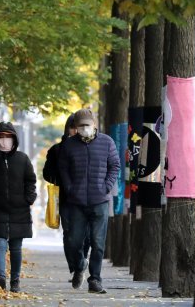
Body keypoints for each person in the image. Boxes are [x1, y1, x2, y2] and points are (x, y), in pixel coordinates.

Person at [58, 108, 120, 294]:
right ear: (75, 128)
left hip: (99, 200)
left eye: (87, 125)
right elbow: (63, 169)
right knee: (73, 240)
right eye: (80, 126)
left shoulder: (107, 142)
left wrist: (106, 186)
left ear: (94, 125)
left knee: (98, 242)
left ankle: (95, 280)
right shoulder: (69, 145)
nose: (84, 128)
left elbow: (115, 165)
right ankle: (79, 266)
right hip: (76, 202)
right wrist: (70, 188)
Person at [0, 122, 37, 293]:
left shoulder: (22, 159)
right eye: (1, 137)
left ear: (14, 139)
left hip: (20, 209)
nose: (4, 140)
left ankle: (16, 281)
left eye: (8, 137)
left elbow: (30, 181)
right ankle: (1, 277)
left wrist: (29, 198)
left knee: (16, 247)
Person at [42, 114, 91, 282]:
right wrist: (60, 176)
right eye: (73, 127)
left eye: (80, 127)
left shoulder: (89, 147)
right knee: (69, 234)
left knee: (86, 234)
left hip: (86, 197)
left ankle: (81, 263)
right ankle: (78, 265)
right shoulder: (57, 149)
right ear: (68, 129)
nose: (76, 130)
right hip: (66, 199)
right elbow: (47, 174)